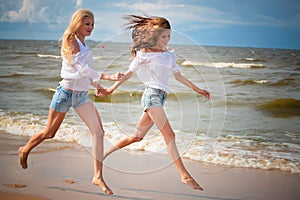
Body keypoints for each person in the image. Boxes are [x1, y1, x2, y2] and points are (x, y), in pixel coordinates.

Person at [96, 15, 210, 190]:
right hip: (151, 96)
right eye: (163, 37)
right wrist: (110, 89)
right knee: (170, 136)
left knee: (136, 137)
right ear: (155, 36)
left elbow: (178, 76)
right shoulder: (143, 55)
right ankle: (184, 175)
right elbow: (128, 74)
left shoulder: (169, 55)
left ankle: (102, 155)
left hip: (161, 97)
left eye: (168, 36)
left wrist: (198, 89)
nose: (166, 40)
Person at [18, 9, 123, 195]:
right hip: (65, 93)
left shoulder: (85, 44)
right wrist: (109, 76)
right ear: (78, 23)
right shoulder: (71, 40)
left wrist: (97, 85)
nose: (91, 27)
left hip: (81, 96)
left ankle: (97, 176)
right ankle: (25, 150)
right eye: (87, 24)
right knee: (49, 133)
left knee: (98, 132)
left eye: (92, 24)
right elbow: (82, 69)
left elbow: (87, 72)